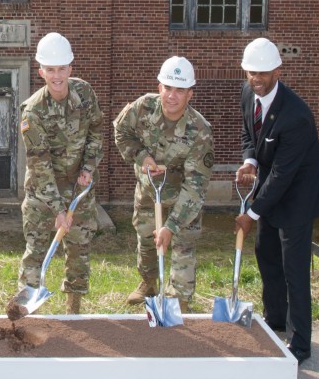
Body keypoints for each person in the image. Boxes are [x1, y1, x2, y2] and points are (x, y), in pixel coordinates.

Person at [233, 37, 319, 364]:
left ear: (278, 70)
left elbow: (282, 175)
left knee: (294, 269)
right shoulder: (248, 93)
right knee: (266, 254)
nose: (257, 78)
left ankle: (300, 344)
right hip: (273, 187)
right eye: (252, 72)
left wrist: (250, 213)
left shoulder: (296, 116)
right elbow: (249, 136)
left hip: (300, 192)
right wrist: (250, 161)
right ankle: (275, 320)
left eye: (264, 72)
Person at [112, 56, 214, 313]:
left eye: (180, 90)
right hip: (149, 192)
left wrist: (171, 226)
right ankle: (148, 283)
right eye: (167, 88)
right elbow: (121, 132)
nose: (172, 96)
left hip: (183, 200)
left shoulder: (200, 131)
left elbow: (196, 186)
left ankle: (177, 301)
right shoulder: (143, 108)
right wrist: (141, 157)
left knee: (182, 247)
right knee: (147, 242)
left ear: (190, 94)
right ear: (159, 88)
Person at [17, 32, 102, 314]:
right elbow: (39, 166)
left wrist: (88, 167)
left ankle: (73, 312)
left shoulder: (85, 94)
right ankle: (26, 311)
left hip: (78, 190)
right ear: (41, 71)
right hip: (43, 196)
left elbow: (96, 133)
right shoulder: (33, 112)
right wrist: (57, 209)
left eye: (61, 69)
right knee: (37, 253)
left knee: (79, 253)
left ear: (70, 69)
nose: (56, 76)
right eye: (50, 70)